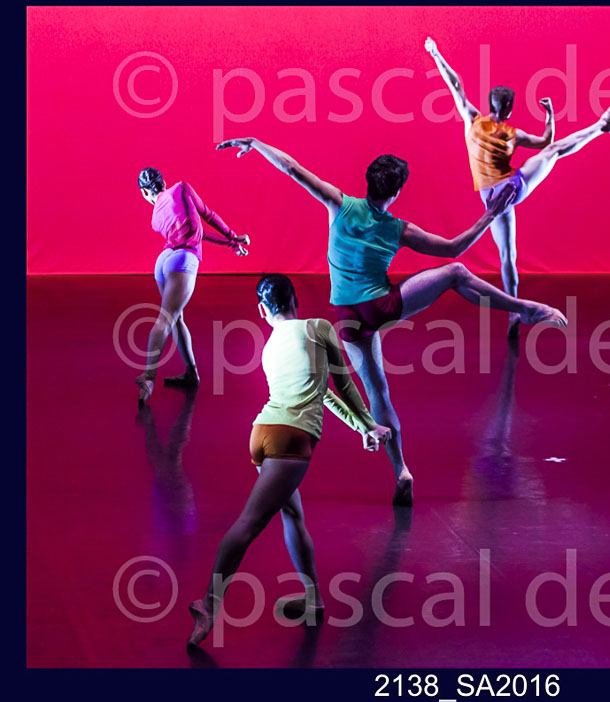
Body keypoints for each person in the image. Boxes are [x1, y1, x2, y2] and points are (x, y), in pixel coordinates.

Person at [215, 137, 567, 506]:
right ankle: (522, 308)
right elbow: (453, 248)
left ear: (367, 181)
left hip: (349, 318)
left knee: (378, 394)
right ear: (397, 192)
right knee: (456, 273)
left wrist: (255, 143)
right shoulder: (399, 229)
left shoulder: (339, 204)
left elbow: (292, 168)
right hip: (383, 305)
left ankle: (401, 469)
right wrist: (490, 214)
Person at [187, 274, 392, 648]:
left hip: (262, 435)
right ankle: (210, 602)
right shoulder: (318, 328)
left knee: (292, 513)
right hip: (290, 441)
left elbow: (323, 394)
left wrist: (360, 427)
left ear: (262, 310)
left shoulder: (269, 348)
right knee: (249, 523)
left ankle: (313, 598)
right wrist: (368, 423)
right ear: (296, 299)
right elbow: (343, 385)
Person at [425, 36, 610, 334]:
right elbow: (547, 141)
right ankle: (600, 127)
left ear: (490, 104)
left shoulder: (472, 120)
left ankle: (514, 313)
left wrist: (436, 54)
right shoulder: (513, 134)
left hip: (492, 199)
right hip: (512, 189)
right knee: (554, 152)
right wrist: (550, 114)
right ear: (509, 108)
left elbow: (455, 85)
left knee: (507, 256)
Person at [135, 168, 251, 403]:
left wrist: (232, 242)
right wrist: (232, 235)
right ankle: (149, 376)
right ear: (164, 182)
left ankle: (191, 373)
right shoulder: (181, 189)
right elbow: (207, 216)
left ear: (145, 193)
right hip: (183, 260)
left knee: (175, 318)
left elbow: (199, 232)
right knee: (167, 318)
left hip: (164, 261)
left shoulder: (155, 219)